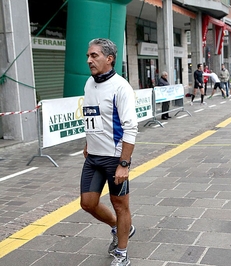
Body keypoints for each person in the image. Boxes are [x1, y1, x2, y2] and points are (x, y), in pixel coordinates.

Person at [81, 38, 137, 266]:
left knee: (120, 204)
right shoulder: (88, 83)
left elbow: (130, 127)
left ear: (109, 59)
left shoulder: (121, 87)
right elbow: (92, 117)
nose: (89, 60)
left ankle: (122, 253)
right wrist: (88, 142)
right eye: (88, 56)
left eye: (94, 55)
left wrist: (124, 164)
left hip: (115, 158)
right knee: (88, 203)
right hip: (93, 156)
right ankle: (119, 227)